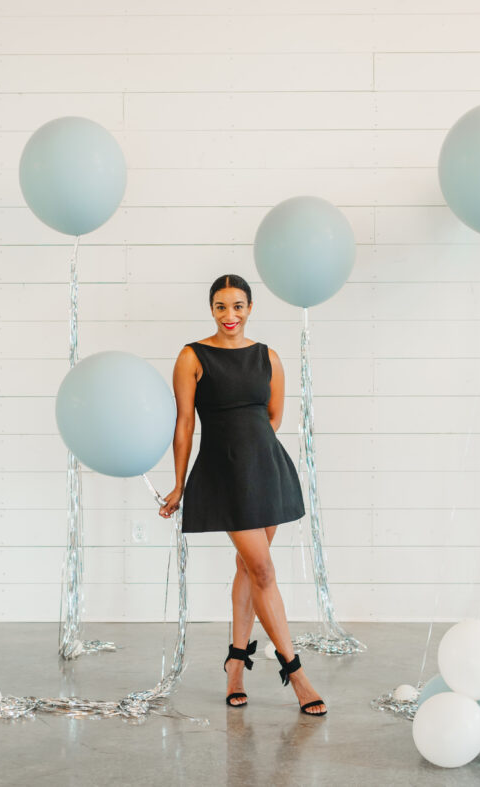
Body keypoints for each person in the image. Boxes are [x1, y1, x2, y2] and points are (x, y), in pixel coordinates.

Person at [158, 274, 327, 716]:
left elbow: (272, 416)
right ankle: (295, 672)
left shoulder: (268, 357)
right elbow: (184, 425)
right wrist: (179, 483)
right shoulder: (192, 356)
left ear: (250, 308)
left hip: (267, 469)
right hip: (225, 472)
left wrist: (253, 452)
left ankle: (236, 662)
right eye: (220, 306)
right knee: (263, 570)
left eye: (237, 305)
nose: (229, 315)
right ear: (211, 310)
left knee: (249, 568)